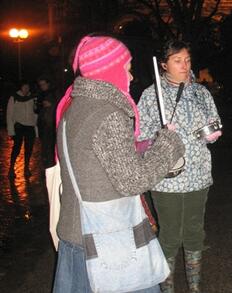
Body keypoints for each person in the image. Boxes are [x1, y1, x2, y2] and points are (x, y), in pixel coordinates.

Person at [53, 35, 185, 292]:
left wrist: (146, 146)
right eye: (127, 68)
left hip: (74, 236)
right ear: (110, 70)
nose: (131, 76)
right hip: (106, 240)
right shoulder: (109, 114)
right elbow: (133, 180)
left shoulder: (74, 108)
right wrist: (168, 147)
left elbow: (96, 161)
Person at [137, 40, 222, 293]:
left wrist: (212, 131)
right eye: (177, 60)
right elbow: (139, 135)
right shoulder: (152, 95)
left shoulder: (201, 92)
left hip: (198, 173)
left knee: (195, 232)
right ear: (164, 65)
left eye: (187, 60)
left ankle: (195, 288)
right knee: (170, 235)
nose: (185, 65)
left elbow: (214, 121)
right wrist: (158, 136)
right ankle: (167, 289)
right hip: (167, 177)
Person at [7, 80, 37, 179]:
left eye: (28, 87)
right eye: (24, 87)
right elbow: (9, 114)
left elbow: (35, 114)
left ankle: (26, 168)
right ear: (21, 87)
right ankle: (11, 168)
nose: (26, 89)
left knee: (29, 149)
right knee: (16, 148)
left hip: (30, 126)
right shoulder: (14, 97)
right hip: (19, 126)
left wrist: (36, 129)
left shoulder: (32, 97)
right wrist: (11, 130)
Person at [36, 76, 58, 168]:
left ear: (48, 84)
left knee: (51, 147)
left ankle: (51, 166)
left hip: (52, 124)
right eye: (40, 85)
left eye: (43, 84)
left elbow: (60, 105)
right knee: (45, 147)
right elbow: (38, 110)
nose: (42, 86)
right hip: (43, 124)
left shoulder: (54, 93)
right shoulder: (41, 94)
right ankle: (47, 166)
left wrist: (51, 104)